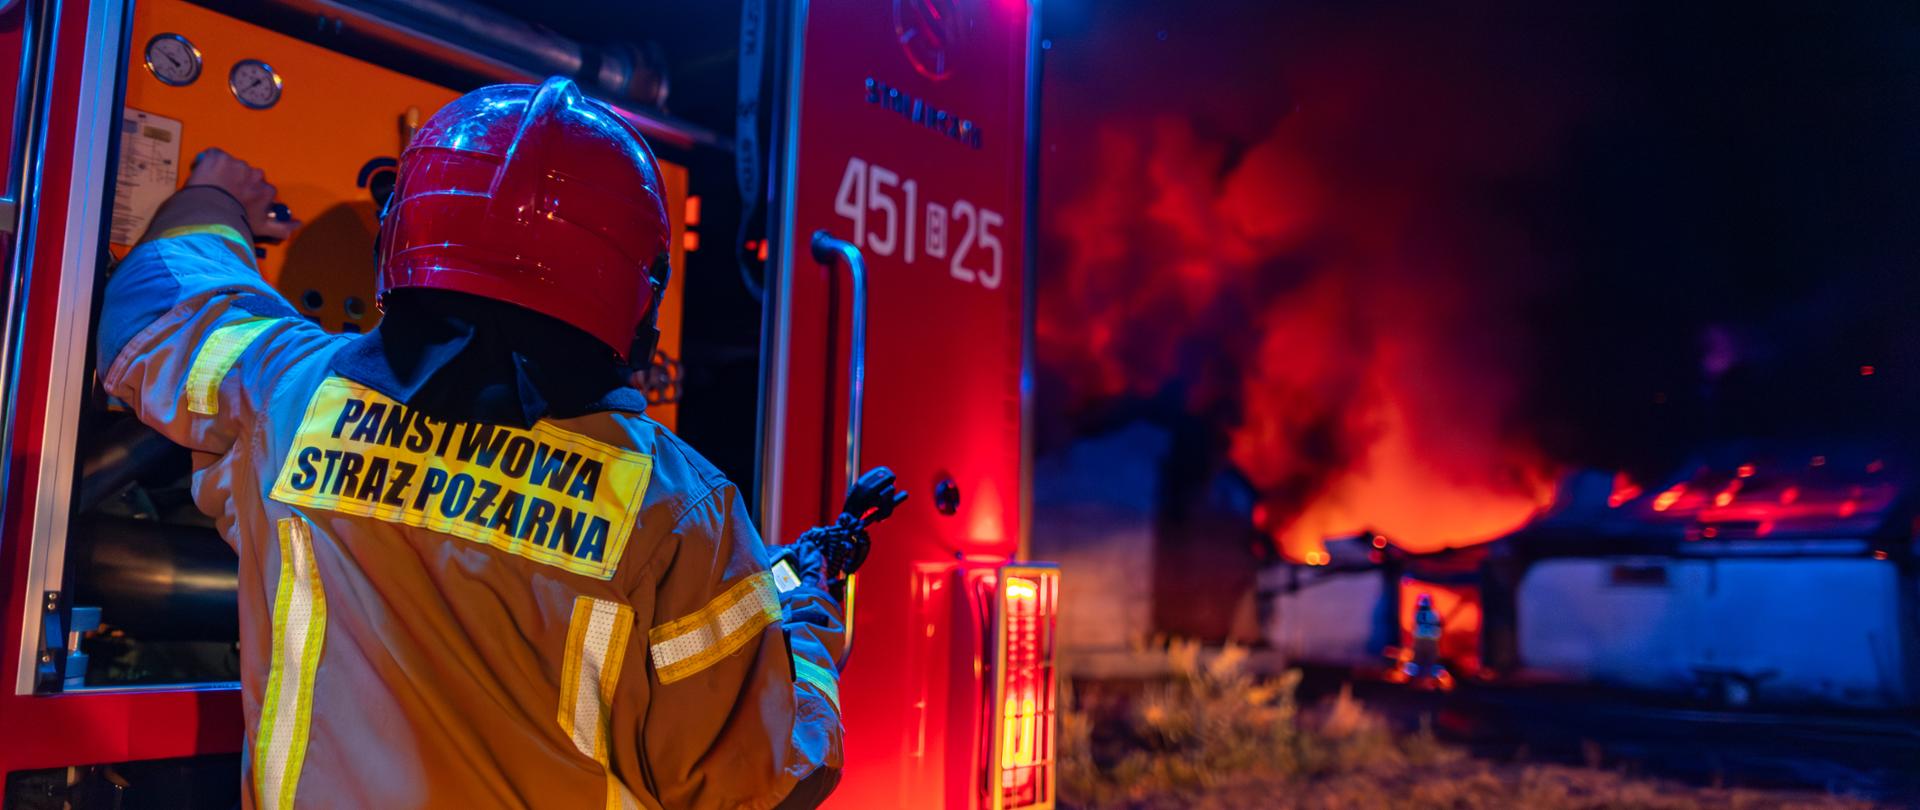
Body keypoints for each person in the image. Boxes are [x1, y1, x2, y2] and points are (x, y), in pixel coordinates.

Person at [96, 77, 844, 809]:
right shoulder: (679, 509)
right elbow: (768, 782)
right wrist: (805, 618)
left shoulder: (287, 396)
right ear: (637, 290)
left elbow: (156, 301)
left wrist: (215, 196)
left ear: (403, 237)